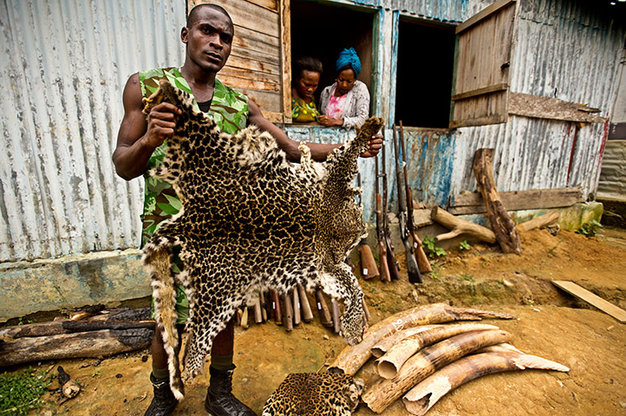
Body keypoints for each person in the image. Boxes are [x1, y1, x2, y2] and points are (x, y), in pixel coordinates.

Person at [112, 5, 381, 416]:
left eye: (226, 37)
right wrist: (149, 139)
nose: (217, 42)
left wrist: (352, 147)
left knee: (223, 312)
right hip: (167, 231)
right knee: (164, 319)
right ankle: (163, 396)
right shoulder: (146, 87)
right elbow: (122, 165)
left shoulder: (238, 104)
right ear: (186, 35)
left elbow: (291, 149)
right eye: (207, 31)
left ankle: (219, 394)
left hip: (225, 234)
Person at [319, 48, 370, 129]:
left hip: (347, 140)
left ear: (355, 80)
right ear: (337, 76)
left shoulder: (360, 89)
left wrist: (338, 122)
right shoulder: (326, 92)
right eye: (341, 80)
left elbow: (363, 120)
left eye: (349, 81)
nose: (344, 85)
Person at [291, 56, 323, 123]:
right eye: (307, 84)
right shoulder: (289, 98)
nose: (310, 89)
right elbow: (298, 116)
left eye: (315, 85)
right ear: (297, 79)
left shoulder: (312, 99)